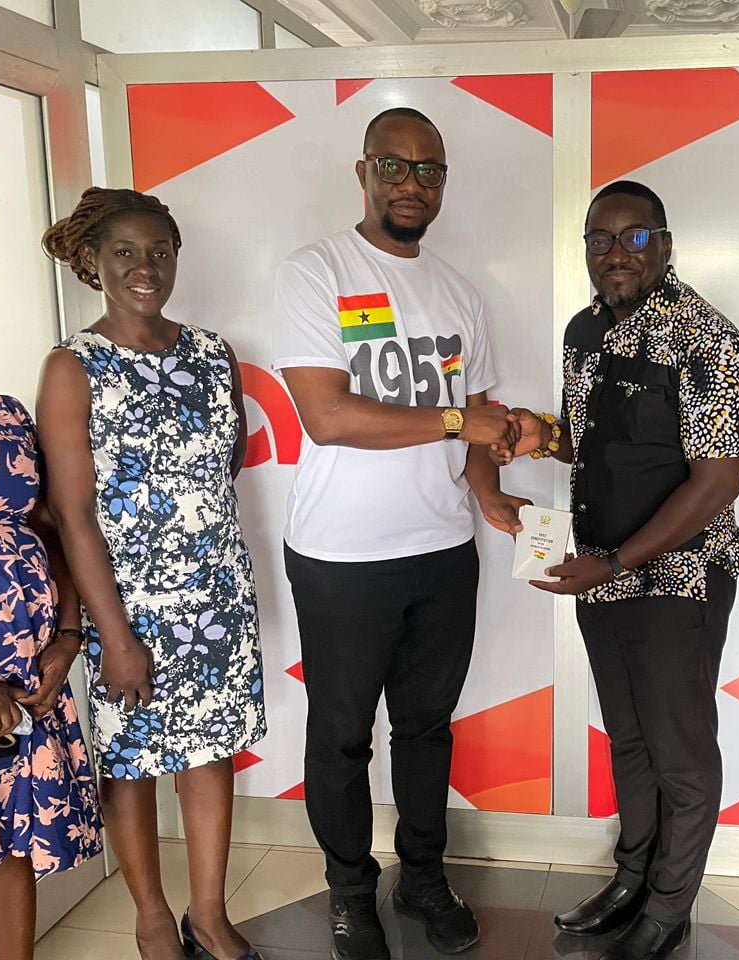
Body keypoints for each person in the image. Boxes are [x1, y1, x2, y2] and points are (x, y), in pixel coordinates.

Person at [273, 106, 527, 960]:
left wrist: (488, 494)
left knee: (426, 729)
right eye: (394, 166)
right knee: (341, 736)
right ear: (364, 172)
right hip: (342, 556)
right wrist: (458, 423)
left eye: (429, 170)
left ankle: (423, 878)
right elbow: (328, 416)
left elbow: (480, 421)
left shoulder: (460, 292)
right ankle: (351, 894)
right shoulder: (316, 272)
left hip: (442, 552)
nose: (412, 184)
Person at [497, 180, 739, 960]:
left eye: (635, 236)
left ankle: (668, 910)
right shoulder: (584, 331)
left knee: (680, 754)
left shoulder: (705, 338)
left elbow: (717, 481)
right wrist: (537, 435)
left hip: (678, 578)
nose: (616, 253)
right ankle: (632, 879)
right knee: (630, 740)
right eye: (600, 239)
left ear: (665, 245)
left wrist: (612, 562)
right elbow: (585, 437)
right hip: (599, 571)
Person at [39, 188, 267, 960]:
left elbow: (225, 465)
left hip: (214, 596)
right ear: (92, 261)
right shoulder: (73, 366)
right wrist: (115, 636)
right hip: (125, 606)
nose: (147, 267)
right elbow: (72, 513)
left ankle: (208, 914)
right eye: (126, 252)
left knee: (209, 753)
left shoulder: (213, 353)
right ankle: (150, 916)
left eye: (160, 251)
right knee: (131, 764)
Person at [0, 271, 101, 960]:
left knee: (0, 832)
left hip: (23, 672)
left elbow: (48, 524)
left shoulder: (2, 412)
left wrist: (66, 634)